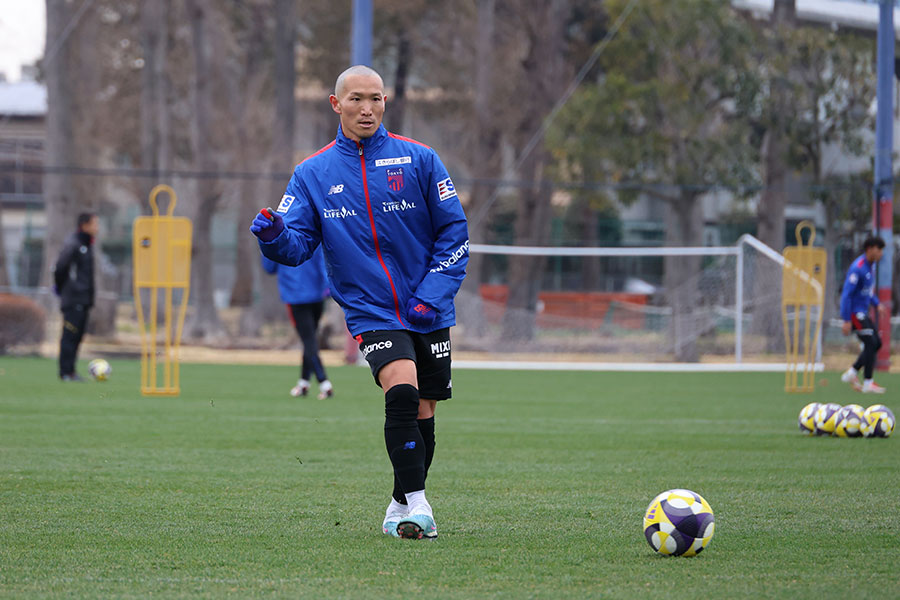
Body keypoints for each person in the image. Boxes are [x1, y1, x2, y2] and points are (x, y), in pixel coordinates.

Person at [250, 65, 468, 540]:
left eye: (375, 99)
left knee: (424, 411)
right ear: (336, 104)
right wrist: (273, 236)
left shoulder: (420, 160)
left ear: (385, 102)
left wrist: (432, 295)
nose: (366, 108)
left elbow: (455, 232)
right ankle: (422, 508)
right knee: (403, 392)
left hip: (428, 308)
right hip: (370, 310)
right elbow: (297, 245)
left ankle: (399, 507)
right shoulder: (312, 173)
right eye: (356, 99)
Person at [261, 247, 334, 400]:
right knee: (310, 339)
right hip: (316, 294)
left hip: (295, 296)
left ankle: (324, 383)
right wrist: (327, 286)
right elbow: (323, 262)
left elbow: (269, 268)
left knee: (308, 341)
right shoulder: (310, 231)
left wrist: (265, 243)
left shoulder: (278, 237)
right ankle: (303, 383)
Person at [53, 212, 98, 381]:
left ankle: (71, 371)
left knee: (78, 336)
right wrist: (63, 288)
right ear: (85, 225)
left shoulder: (87, 244)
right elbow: (60, 268)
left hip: (84, 299)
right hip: (74, 299)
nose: (97, 228)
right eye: (95, 224)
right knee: (70, 335)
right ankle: (65, 372)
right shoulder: (74, 243)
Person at [839, 236, 887, 394]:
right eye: (879, 250)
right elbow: (846, 294)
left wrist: (877, 303)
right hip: (854, 314)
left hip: (862, 312)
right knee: (871, 344)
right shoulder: (857, 268)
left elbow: (867, 292)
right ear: (870, 249)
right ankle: (868, 382)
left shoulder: (870, 267)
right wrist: (846, 319)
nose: (881, 254)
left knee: (877, 343)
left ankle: (852, 372)